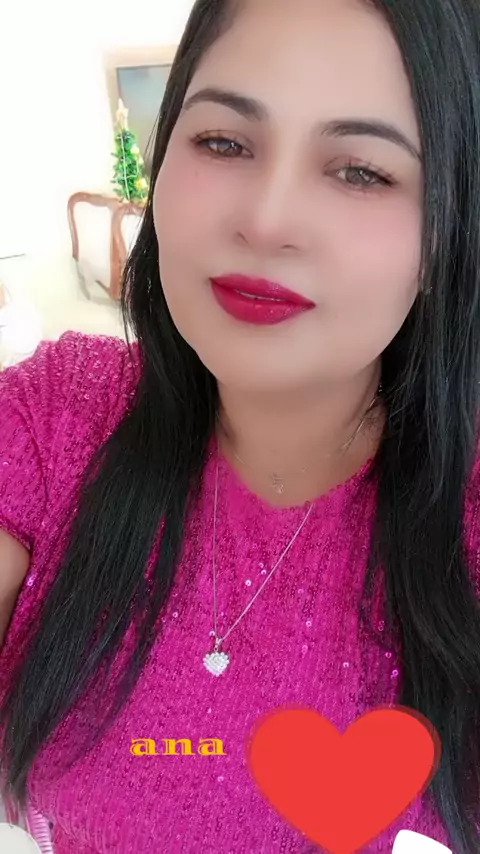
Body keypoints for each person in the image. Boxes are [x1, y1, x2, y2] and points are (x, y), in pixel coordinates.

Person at [0, 0, 479, 851]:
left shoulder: (462, 514)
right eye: (223, 143)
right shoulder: (56, 417)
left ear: (448, 231)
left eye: (361, 170)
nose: (267, 219)